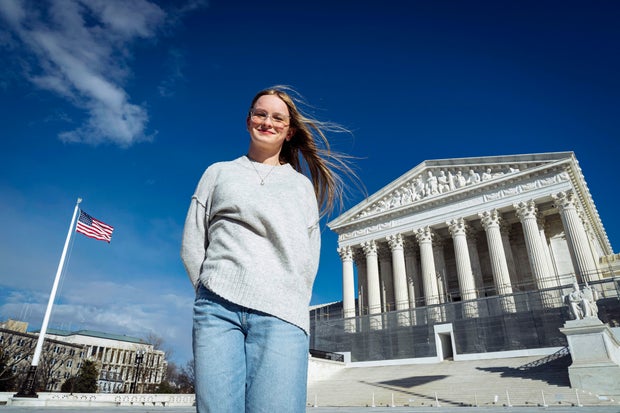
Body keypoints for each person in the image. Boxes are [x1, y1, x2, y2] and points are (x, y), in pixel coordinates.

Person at [181, 86, 358, 413]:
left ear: (289, 131)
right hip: (217, 310)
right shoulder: (218, 172)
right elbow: (193, 240)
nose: (267, 122)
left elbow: (309, 255)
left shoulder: (301, 187)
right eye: (260, 114)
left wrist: (290, 299)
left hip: (281, 314)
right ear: (248, 120)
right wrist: (207, 289)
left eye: (278, 117)